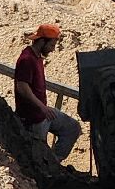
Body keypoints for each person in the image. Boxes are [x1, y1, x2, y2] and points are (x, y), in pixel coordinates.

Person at [15, 24, 81, 162]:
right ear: (42, 41)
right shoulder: (27, 59)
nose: (53, 49)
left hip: (42, 113)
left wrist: (43, 109)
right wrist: (42, 107)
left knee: (72, 128)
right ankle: (45, 169)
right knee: (38, 155)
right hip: (33, 118)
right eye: (51, 45)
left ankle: (54, 162)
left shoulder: (37, 57)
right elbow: (22, 87)